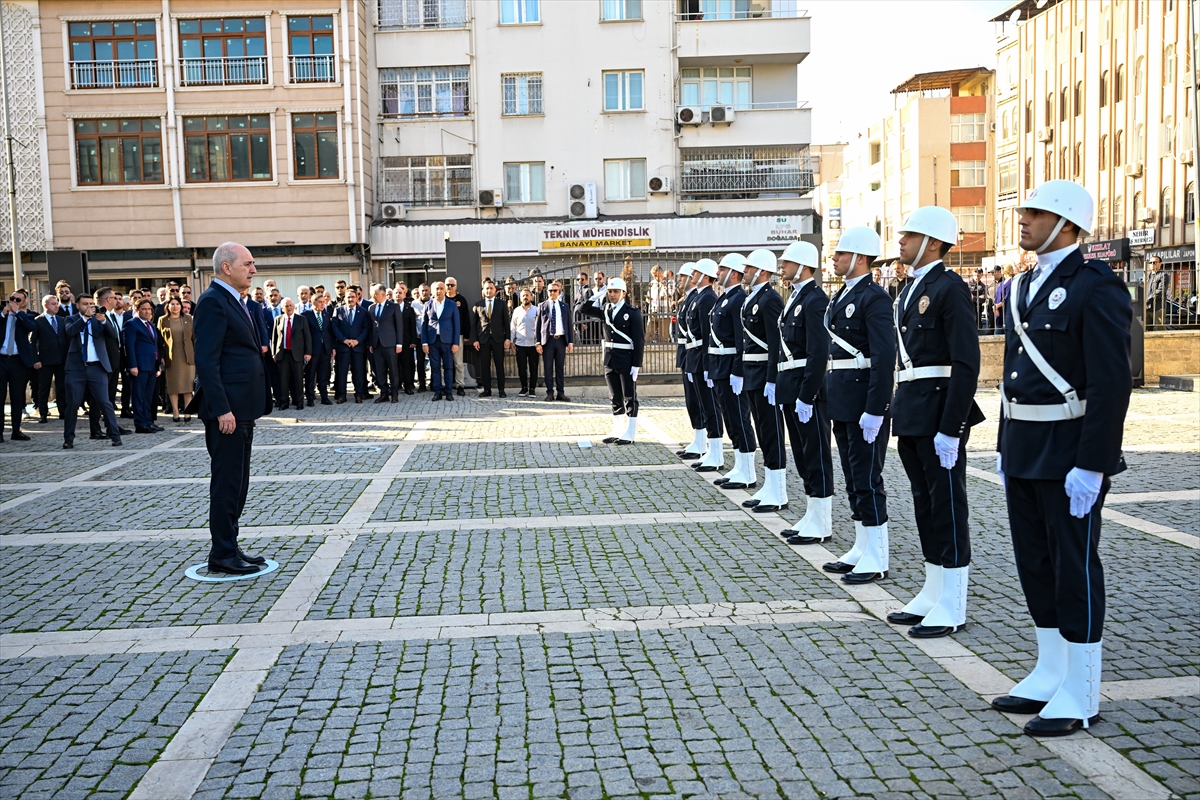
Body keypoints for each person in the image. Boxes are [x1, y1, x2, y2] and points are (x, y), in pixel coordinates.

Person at [989, 181, 1132, 737]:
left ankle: (1082, 687)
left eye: (1036, 214)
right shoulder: (1024, 283)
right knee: (1035, 565)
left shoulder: (1095, 285)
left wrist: (1093, 463)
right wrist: (1005, 446)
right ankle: (1051, 669)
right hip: (1025, 446)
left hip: (1070, 452)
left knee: (1074, 567)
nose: (1022, 220)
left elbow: (1112, 382)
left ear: (1068, 225)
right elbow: (1013, 376)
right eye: (1023, 211)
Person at [884, 207, 985, 640]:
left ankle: (955, 599)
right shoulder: (908, 290)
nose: (901, 241)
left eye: (910, 235)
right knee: (924, 504)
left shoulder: (949, 288)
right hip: (911, 410)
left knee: (947, 505)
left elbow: (966, 363)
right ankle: (933, 587)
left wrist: (953, 426)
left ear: (933, 243)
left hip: (940, 411)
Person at [819, 226, 896, 585]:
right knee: (852, 477)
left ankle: (878, 554)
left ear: (860, 258)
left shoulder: (874, 297)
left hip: (864, 398)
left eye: (840, 254)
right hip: (842, 398)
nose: (834, 259)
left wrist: (877, 407)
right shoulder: (841, 297)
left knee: (867, 477)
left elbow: (884, 357)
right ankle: (862, 545)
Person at [194, 242, 270, 575]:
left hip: (243, 408)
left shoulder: (235, 301)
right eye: (248, 264)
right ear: (227, 267)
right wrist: (222, 409)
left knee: (238, 483)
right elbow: (206, 362)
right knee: (227, 483)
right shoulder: (213, 302)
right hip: (227, 413)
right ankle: (222, 553)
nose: (253, 270)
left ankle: (231, 544)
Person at [774, 242, 836, 546]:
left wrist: (807, 395)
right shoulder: (795, 298)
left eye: (787, 262)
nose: (781, 266)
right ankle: (812, 513)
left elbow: (818, 352)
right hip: (791, 385)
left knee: (816, 454)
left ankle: (822, 520)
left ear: (803, 265)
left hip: (806, 389)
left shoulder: (814, 300)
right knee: (802, 454)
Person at [738, 249, 788, 513]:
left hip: (764, 375)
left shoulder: (770, 300)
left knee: (772, 432)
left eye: (749, 267)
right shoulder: (752, 299)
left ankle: (779, 490)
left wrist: (773, 379)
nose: (745, 271)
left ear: (762, 271)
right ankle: (769, 484)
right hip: (752, 374)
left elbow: (775, 344)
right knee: (762, 430)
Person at [708, 254, 757, 490]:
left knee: (739, 418)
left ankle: (748, 471)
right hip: (720, 366)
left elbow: (741, 340)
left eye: (721, 269)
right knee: (730, 418)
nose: (717, 273)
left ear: (734, 273)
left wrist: (738, 371)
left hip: (731, 368)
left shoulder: (738, 299)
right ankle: (739, 465)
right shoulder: (725, 298)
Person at [580, 277, 643, 444]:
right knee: (615, 397)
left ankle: (630, 432)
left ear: (624, 293)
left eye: (615, 291)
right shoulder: (605, 310)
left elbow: (639, 340)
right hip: (609, 359)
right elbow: (581, 309)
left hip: (626, 360)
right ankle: (618, 429)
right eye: (610, 291)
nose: (612, 294)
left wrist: (637, 364)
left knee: (629, 396)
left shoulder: (632, 312)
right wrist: (593, 297)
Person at [62, 293, 122, 448]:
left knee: (105, 402)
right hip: (76, 368)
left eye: (91, 304)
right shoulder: (71, 319)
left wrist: (103, 323)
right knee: (73, 404)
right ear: (78, 305)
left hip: (97, 367)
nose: (89, 307)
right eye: (85, 304)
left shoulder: (99, 318)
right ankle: (68, 439)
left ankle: (115, 436)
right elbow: (69, 332)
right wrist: (85, 318)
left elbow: (113, 335)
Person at [685, 259, 724, 472]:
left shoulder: (708, 297)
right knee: (703, 405)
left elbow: (708, 335)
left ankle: (717, 452)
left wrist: (708, 365)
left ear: (707, 276)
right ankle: (711, 448)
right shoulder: (699, 297)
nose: (693, 274)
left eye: (697, 272)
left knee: (711, 407)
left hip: (702, 358)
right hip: (695, 358)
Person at [673, 263, 705, 458]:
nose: (679, 280)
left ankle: (702, 441)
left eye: (682, 277)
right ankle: (698, 437)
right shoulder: (688, 299)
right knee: (692, 401)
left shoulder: (698, 298)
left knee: (699, 401)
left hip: (695, 355)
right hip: (687, 354)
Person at [0, 291, 36, 441]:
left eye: (18, 299)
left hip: (18, 361)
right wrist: (3, 314)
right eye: (12, 299)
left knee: (17, 398)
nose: (14, 301)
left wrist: (18, 313)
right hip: (1, 359)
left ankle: (16, 430)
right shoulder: (1, 315)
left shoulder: (26, 316)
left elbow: (31, 326)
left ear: (23, 302)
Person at [125, 298, 164, 434]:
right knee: (138, 396)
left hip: (151, 366)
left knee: (148, 396)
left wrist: (157, 365)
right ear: (137, 310)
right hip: (139, 366)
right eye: (144, 309)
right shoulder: (132, 324)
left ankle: (148, 421)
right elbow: (129, 346)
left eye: (149, 309)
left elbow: (155, 346)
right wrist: (132, 365)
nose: (147, 312)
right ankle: (140, 423)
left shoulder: (151, 325)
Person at [470, 278, 511, 398]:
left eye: (491, 288)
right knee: (484, 366)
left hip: (498, 339)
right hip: (483, 340)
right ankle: (487, 390)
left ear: (495, 290)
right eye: (486, 288)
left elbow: (507, 323)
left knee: (499, 365)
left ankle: (501, 390)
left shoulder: (501, 304)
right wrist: (475, 340)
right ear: (483, 290)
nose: (489, 290)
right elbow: (474, 324)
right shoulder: (478, 304)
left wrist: (508, 338)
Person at [157, 296, 196, 423]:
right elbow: (159, 340)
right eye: (172, 304)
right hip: (171, 357)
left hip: (188, 356)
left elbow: (194, 338)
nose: (175, 306)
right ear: (168, 306)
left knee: (187, 385)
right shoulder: (163, 320)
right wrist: (161, 356)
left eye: (177, 304)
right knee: (173, 385)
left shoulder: (189, 318)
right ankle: (175, 412)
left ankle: (188, 411)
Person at [535, 280, 575, 402]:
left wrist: (570, 342)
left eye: (555, 291)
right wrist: (538, 342)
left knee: (559, 368)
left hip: (561, 340)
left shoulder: (564, 306)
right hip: (548, 341)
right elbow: (538, 325)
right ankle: (550, 393)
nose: (552, 293)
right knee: (548, 368)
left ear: (559, 292)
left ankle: (561, 393)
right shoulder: (542, 306)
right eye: (550, 291)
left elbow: (569, 324)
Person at [31, 295, 68, 424]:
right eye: (53, 303)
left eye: (56, 303)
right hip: (44, 361)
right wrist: (35, 360)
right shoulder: (37, 321)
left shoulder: (62, 320)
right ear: (45, 305)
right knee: (44, 388)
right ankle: (43, 413)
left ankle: (63, 411)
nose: (56, 305)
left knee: (61, 387)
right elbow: (32, 342)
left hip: (61, 360)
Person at [271, 298, 312, 410]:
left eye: (290, 305)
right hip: (283, 354)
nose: (289, 307)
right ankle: (284, 402)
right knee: (283, 380)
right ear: (282, 308)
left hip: (297, 353)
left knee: (298, 379)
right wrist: (274, 353)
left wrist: (308, 352)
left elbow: (307, 337)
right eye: (286, 306)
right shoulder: (278, 319)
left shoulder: (301, 319)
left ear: (294, 306)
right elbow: (274, 338)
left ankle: (299, 402)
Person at [422, 280, 460, 402]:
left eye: (441, 288)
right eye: (437, 289)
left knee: (448, 367)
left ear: (445, 290)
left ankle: (448, 392)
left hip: (447, 341)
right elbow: (424, 324)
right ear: (432, 291)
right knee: (435, 367)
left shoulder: (451, 304)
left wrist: (455, 343)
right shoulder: (427, 304)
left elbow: (456, 324)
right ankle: (438, 391)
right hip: (433, 341)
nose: (439, 291)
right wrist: (424, 342)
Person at [333, 285, 372, 403]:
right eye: (348, 297)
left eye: (353, 297)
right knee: (342, 372)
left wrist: (357, 340)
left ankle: (359, 394)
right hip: (343, 346)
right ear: (345, 298)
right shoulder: (338, 310)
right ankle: (342, 395)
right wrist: (344, 340)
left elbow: (366, 328)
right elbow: (334, 327)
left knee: (359, 372)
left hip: (358, 347)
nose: (350, 299)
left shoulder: (363, 312)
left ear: (357, 298)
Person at [367, 284, 402, 403]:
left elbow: (399, 326)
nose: (373, 296)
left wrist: (399, 344)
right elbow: (371, 327)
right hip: (377, 344)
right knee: (379, 370)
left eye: (375, 294)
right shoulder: (371, 308)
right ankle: (383, 393)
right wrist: (371, 344)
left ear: (382, 294)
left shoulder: (393, 306)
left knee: (393, 369)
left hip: (390, 343)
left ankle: (394, 393)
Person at [301, 294, 334, 406]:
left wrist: (332, 347)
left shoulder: (326, 314)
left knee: (323, 374)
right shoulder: (306, 315)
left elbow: (329, 332)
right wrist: (307, 351)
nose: (322, 304)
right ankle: (310, 397)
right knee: (310, 375)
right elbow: (304, 335)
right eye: (320, 302)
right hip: (312, 350)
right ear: (313, 302)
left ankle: (324, 397)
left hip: (325, 349)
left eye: (324, 302)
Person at [446, 278, 473, 396]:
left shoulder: (461, 300)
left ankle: (460, 385)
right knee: (444, 362)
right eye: (447, 285)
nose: (449, 287)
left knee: (458, 362)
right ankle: (444, 385)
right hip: (445, 335)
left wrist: (466, 334)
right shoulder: (442, 299)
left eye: (452, 285)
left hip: (458, 335)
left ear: (456, 286)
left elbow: (466, 318)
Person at [510, 288, 540, 396]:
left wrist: (539, 342)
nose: (525, 297)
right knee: (521, 367)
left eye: (527, 295)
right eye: (523, 295)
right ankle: (524, 387)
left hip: (533, 344)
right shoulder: (516, 311)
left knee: (533, 367)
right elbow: (513, 327)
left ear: (531, 297)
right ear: (520, 297)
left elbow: (540, 327)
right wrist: (511, 341)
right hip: (520, 344)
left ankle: (532, 388)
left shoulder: (536, 310)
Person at [393, 283, 419, 396]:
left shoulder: (409, 309)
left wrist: (413, 341)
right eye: (396, 293)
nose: (398, 295)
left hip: (406, 341)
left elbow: (412, 326)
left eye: (400, 293)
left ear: (404, 295)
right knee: (394, 364)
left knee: (406, 364)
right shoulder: (389, 308)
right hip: (392, 341)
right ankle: (395, 385)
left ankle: (408, 386)